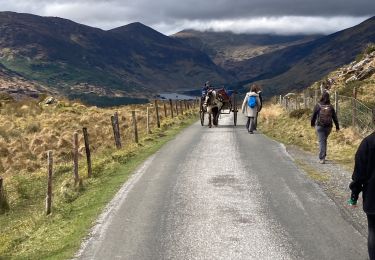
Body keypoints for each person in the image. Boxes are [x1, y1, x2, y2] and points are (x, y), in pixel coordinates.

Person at [348, 108, 375, 259]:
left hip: (373, 197)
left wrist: (354, 196)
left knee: (374, 231)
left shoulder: (367, 143)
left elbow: (359, 176)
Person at [310, 92, 340, 163]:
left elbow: (313, 116)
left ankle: (322, 158)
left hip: (320, 126)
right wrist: (337, 127)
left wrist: (312, 124)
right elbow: (335, 117)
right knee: (324, 140)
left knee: (321, 141)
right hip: (329, 127)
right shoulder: (331, 106)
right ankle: (324, 155)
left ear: (322, 97)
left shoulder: (318, 105)